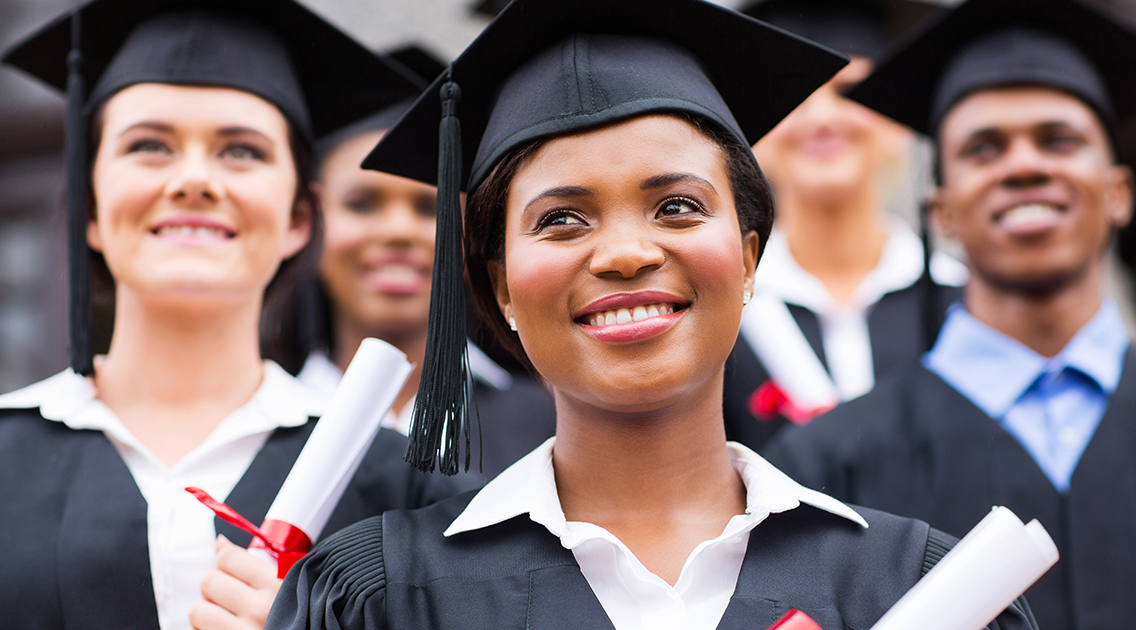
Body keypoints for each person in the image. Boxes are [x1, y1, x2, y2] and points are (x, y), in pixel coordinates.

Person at [266, 1, 1037, 628]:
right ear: (498, 285)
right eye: (562, 219)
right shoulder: (378, 599)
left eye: (676, 206)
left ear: (749, 257)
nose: (626, 253)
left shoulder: (918, 591)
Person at [0, 3, 477, 629]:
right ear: (91, 207)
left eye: (241, 152)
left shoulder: (403, 489)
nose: (195, 180)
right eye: (149, 145)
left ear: (299, 219)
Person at [762, 0, 1136, 628]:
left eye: (1059, 140)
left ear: (1119, 193)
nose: (1025, 166)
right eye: (985, 148)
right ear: (941, 211)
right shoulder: (823, 466)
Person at [297, 46, 557, 478]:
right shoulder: (258, 424)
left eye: (430, 208)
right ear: (306, 220)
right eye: (361, 204)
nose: (399, 231)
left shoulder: (551, 426)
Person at [722, 0, 965, 450]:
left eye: (850, 91)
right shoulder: (720, 315)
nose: (821, 118)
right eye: (794, 95)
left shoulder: (965, 306)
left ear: (896, 121)